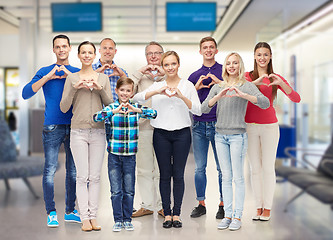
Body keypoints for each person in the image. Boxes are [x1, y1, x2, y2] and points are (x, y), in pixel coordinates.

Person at [133, 51, 202, 229]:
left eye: (173, 64)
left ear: (178, 65)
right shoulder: (158, 85)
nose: (170, 67)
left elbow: (198, 110)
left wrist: (181, 96)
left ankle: (176, 214)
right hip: (161, 135)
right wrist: (156, 91)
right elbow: (136, 97)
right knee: (164, 175)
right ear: (162, 68)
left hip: (182, 135)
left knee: (178, 175)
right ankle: (166, 213)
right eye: (167, 65)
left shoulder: (187, 85)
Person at [201, 52, 269, 231]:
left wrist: (244, 95)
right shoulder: (218, 86)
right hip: (220, 136)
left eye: (235, 63)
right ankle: (228, 215)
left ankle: (238, 216)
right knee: (226, 177)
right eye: (228, 63)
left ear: (240, 66)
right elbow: (202, 108)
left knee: (238, 178)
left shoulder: (246, 86)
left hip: (238, 136)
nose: (231, 66)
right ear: (225, 66)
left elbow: (265, 103)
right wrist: (218, 97)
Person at [22, 34, 81, 228]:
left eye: (65, 46)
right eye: (58, 47)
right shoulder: (45, 71)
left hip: (75, 126)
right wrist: (48, 77)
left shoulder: (77, 71)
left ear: (70, 48)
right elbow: (26, 93)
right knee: (49, 170)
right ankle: (51, 212)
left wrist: (70, 76)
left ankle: (70, 211)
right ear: (54, 50)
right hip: (52, 126)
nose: (62, 49)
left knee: (73, 172)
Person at [60, 41, 113, 232]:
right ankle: (84, 218)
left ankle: (93, 216)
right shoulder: (72, 78)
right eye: (84, 52)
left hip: (99, 131)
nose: (87, 55)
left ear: (94, 54)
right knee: (82, 177)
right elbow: (64, 107)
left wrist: (100, 89)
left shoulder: (103, 78)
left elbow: (110, 107)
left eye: (90, 52)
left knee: (95, 177)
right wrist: (75, 87)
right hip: (78, 132)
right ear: (79, 55)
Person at [245, 42, 301, 221]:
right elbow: (240, 91)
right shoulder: (247, 76)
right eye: (259, 54)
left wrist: (281, 85)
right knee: (255, 169)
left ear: (270, 57)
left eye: (266, 54)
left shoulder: (275, 77)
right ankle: (258, 206)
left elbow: (296, 98)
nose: (262, 58)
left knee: (268, 168)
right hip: (250, 127)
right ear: (254, 56)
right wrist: (256, 82)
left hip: (270, 127)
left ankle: (267, 208)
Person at [93, 77, 157, 232]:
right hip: (114, 155)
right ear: (117, 91)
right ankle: (118, 219)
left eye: (128, 90)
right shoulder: (111, 108)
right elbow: (96, 117)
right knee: (116, 190)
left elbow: (154, 113)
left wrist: (138, 110)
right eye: (122, 90)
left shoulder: (135, 107)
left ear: (132, 92)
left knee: (129, 189)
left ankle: (127, 219)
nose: (125, 93)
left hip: (130, 156)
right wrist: (113, 111)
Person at [188, 36, 224, 219]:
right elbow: (187, 101)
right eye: (205, 47)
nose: (208, 50)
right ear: (200, 51)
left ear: (216, 50)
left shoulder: (225, 71)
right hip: (199, 127)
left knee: (221, 168)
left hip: (219, 125)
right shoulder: (194, 75)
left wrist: (219, 82)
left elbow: (232, 92)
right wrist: (196, 86)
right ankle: (201, 204)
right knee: (199, 168)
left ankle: (223, 204)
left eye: (211, 47)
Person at [131, 41, 165, 218]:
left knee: (161, 170)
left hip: (163, 129)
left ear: (162, 55)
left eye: (157, 53)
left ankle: (161, 205)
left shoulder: (168, 73)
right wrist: (139, 73)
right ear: (146, 57)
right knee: (143, 169)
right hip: (143, 128)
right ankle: (146, 205)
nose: (153, 56)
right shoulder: (140, 77)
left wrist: (164, 74)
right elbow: (128, 94)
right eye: (150, 53)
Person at [92, 38, 128, 141]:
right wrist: (97, 74)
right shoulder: (90, 70)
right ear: (99, 51)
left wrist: (122, 76)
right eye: (105, 48)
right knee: (96, 156)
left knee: (115, 156)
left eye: (111, 48)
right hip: (96, 122)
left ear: (115, 51)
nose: (107, 51)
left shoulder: (121, 72)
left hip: (116, 121)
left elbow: (130, 93)